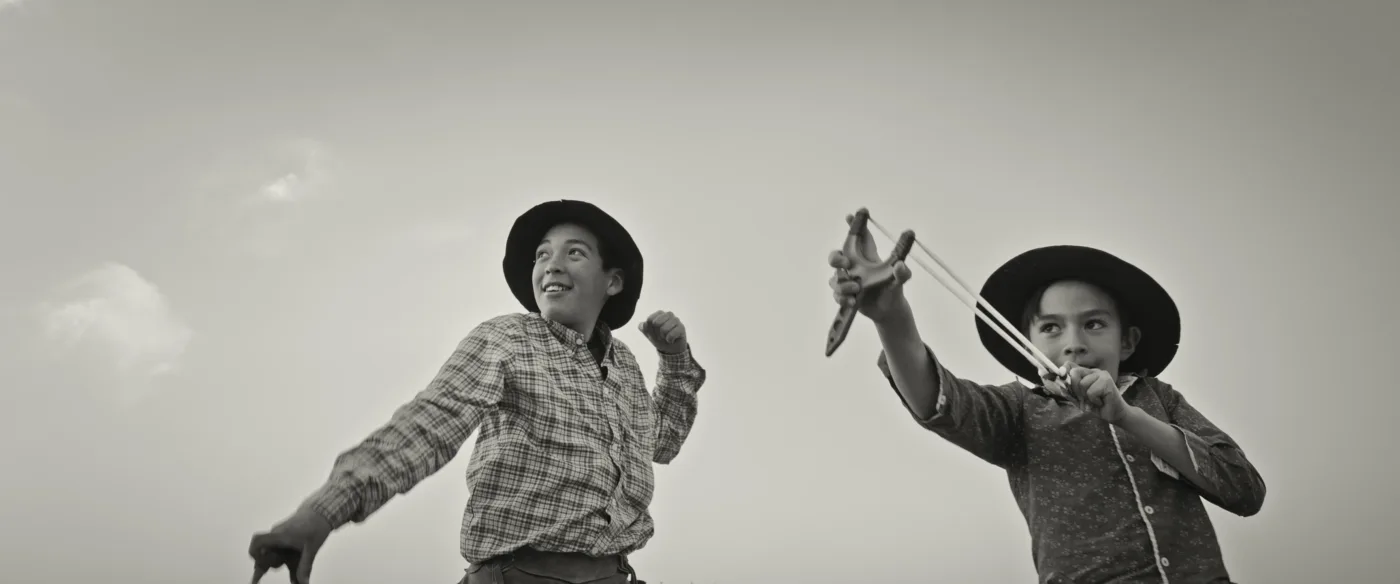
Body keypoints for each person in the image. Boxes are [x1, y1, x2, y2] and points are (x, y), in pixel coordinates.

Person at [249, 200, 707, 584]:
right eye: (542, 254)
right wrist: (321, 513)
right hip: (518, 575)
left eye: (575, 253)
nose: (552, 264)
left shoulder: (623, 365)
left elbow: (662, 442)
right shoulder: (508, 340)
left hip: (614, 575)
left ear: (613, 281)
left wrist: (675, 359)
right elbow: (430, 423)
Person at [827, 218, 1266, 583]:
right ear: (1028, 344)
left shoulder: (1158, 398)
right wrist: (891, 317)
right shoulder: (1019, 411)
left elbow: (1245, 490)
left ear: (1128, 341)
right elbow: (939, 402)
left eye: (1094, 324)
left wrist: (1128, 416)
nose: (1073, 343)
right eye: (1051, 328)